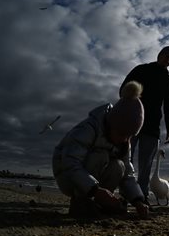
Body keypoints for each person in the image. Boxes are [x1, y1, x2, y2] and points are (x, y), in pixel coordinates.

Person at [52, 81, 149, 219]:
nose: (124, 139)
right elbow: (70, 161)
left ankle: (101, 203)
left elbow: (128, 173)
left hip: (91, 184)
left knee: (119, 166)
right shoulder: (89, 128)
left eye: (129, 136)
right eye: (122, 134)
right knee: (101, 155)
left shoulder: (124, 142)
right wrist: (95, 190)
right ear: (112, 123)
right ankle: (81, 202)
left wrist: (138, 201)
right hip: (66, 174)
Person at [120, 46, 169, 205]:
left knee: (146, 165)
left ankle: (142, 196)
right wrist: (125, 110)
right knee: (126, 159)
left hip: (152, 127)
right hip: (132, 122)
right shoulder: (141, 70)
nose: (168, 59)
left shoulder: (168, 81)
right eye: (166, 55)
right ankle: (124, 195)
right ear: (159, 55)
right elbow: (124, 89)